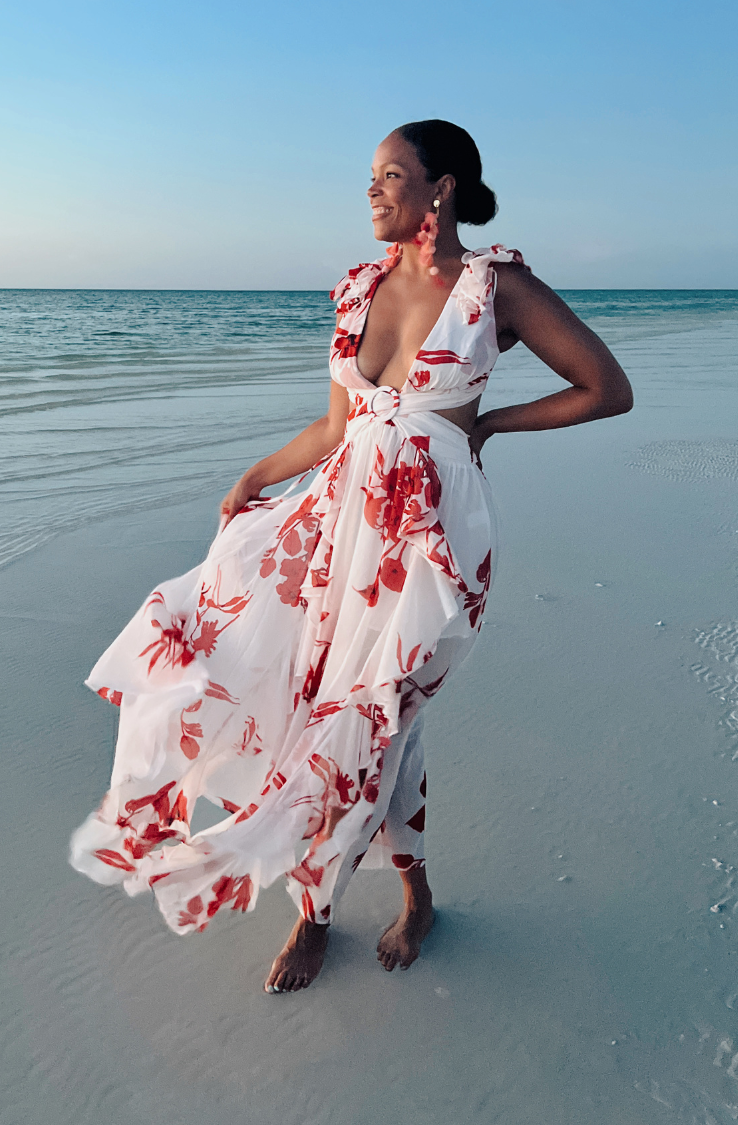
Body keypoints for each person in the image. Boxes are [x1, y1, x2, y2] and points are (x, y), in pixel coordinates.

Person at [70, 119, 633, 994]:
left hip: (430, 546)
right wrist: (252, 476)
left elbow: (606, 388)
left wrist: (485, 424)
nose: (371, 191)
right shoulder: (361, 286)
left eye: (390, 175)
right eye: (370, 177)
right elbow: (339, 428)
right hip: (334, 532)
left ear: (440, 188)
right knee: (311, 707)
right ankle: (390, 895)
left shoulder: (497, 286)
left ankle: (328, 910)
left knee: (374, 720)